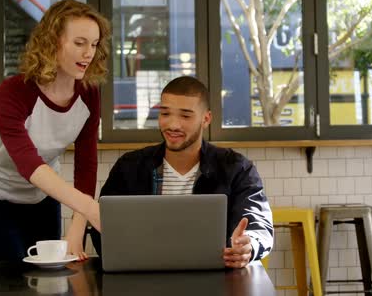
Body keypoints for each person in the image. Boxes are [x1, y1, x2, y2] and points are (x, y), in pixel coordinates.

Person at [0, 0, 110, 261]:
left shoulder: (89, 94)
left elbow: (86, 165)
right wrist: (89, 207)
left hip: (43, 202)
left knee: (48, 284)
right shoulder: (12, 92)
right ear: (52, 41)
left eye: (94, 44)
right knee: (9, 285)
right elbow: (28, 164)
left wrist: (78, 227)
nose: (89, 53)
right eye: (79, 43)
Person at [92, 76, 273, 268]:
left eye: (185, 116)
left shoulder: (236, 168)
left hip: (216, 278)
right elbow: (102, 225)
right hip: (144, 276)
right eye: (165, 113)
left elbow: (258, 223)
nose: (173, 125)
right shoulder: (129, 166)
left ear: (206, 119)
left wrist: (249, 245)